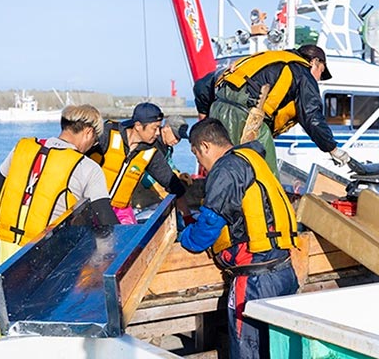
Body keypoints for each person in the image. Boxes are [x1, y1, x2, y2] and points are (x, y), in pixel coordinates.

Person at [180, 118, 299, 359]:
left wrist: (185, 237)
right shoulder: (253, 160)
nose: (201, 165)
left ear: (204, 146)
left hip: (255, 278)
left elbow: (207, 230)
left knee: (248, 351)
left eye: (197, 155)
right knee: (277, 350)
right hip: (284, 269)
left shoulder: (227, 169)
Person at [193, 44, 349, 176]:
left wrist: (206, 119)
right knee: (266, 177)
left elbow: (201, 86)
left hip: (217, 112)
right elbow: (312, 117)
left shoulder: (265, 59)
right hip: (247, 119)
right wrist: (332, 149)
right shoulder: (302, 71)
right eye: (321, 72)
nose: (318, 80)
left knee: (222, 172)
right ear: (314, 62)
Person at [0, 104, 118, 262]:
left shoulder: (22, 148)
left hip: (9, 254)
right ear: (88, 132)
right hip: (47, 259)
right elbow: (105, 220)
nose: (92, 147)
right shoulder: (87, 167)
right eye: (95, 141)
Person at [89, 102, 193, 225]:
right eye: (154, 128)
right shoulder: (107, 134)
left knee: (131, 241)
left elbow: (172, 183)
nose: (158, 133)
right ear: (138, 125)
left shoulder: (150, 151)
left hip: (120, 210)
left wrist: (187, 218)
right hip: (91, 205)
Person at [140, 115, 193, 197]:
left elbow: (169, 164)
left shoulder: (168, 148)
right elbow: (142, 166)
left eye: (179, 138)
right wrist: (154, 185)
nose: (177, 141)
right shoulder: (151, 142)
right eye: (175, 136)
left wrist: (178, 175)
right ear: (166, 128)